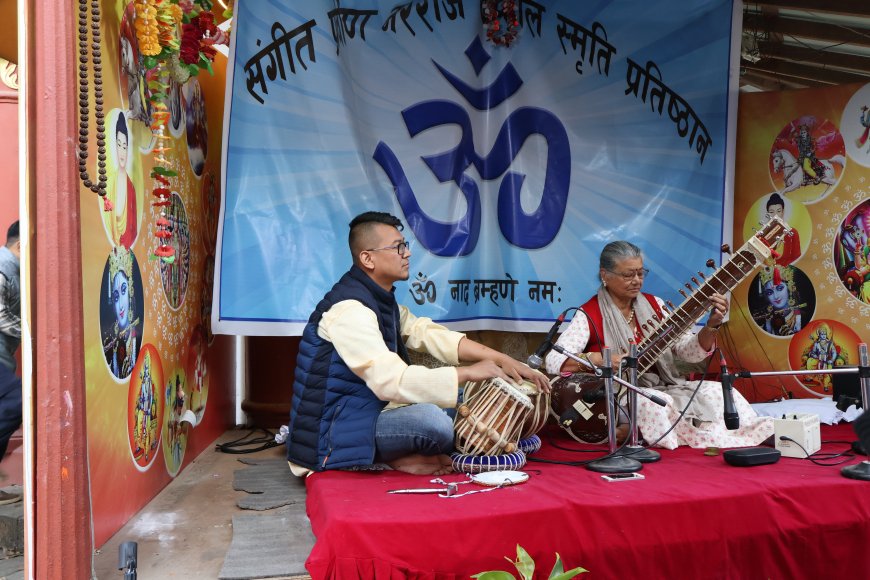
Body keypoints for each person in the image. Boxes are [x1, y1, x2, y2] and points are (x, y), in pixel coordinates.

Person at [285, 211, 549, 476]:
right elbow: (390, 382)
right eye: (398, 247)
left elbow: (429, 334)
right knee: (433, 422)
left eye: (405, 245)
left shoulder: (379, 301)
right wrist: (468, 372)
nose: (407, 254)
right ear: (367, 258)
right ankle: (388, 458)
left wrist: (503, 360)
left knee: (459, 399)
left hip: (366, 413)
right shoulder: (350, 311)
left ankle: (401, 455)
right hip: (332, 432)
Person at [545, 240, 773, 450]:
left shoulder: (656, 305)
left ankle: (754, 432)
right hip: (619, 395)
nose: (637, 280)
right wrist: (600, 360)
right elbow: (554, 361)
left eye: (640, 273)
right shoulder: (589, 314)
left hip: (665, 385)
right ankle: (712, 439)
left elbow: (688, 352)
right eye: (628, 275)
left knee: (715, 390)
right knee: (658, 403)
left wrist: (711, 326)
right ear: (605, 275)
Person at [0, 221, 21, 504]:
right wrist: (32, 334)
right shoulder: (4, 266)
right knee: (18, 401)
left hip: (4, 359)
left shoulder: (14, 269)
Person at [103, 247, 139, 378]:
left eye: (124, 291)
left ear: (130, 292)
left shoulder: (135, 338)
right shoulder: (112, 343)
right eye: (116, 297)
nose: (120, 305)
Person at [107, 113, 138, 249]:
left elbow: (134, 230)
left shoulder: (131, 188)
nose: (122, 151)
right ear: (115, 146)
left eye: (125, 147)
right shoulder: (109, 183)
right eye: (119, 145)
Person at [755, 264, 802, 336]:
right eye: (769, 292)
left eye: (780, 288)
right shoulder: (764, 320)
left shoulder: (799, 315)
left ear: (789, 288)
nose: (776, 297)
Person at [764, 193, 801, 267]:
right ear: (767, 213)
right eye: (771, 212)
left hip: (786, 270)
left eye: (778, 211)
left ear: (783, 212)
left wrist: (783, 266)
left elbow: (796, 255)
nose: (775, 215)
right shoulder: (763, 234)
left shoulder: (792, 232)